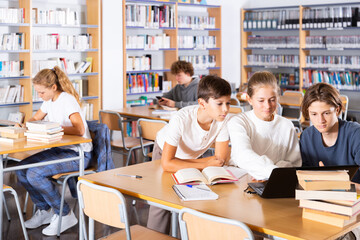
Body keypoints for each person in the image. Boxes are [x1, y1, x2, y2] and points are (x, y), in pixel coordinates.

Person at [147, 75, 232, 233]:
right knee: (161, 201)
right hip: (165, 153)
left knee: (195, 198)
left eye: (228, 103)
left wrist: (206, 163)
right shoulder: (181, 118)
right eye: (219, 104)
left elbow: (220, 160)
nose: (225, 109)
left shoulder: (223, 120)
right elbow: (167, 163)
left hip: (192, 157)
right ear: (202, 103)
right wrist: (206, 163)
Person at [16, 66, 93, 236]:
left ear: (53, 87)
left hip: (78, 153)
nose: (39, 96)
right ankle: (45, 210)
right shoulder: (48, 101)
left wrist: (54, 128)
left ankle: (65, 213)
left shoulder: (67, 100)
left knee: (34, 174)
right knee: (21, 169)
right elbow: (36, 118)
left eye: (41, 92)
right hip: (61, 150)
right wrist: (26, 125)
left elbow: (80, 129)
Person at [300, 83, 360, 239]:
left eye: (326, 113)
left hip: (353, 211)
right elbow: (306, 182)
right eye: (313, 114)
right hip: (322, 207)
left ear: (338, 110)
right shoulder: (307, 137)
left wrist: (331, 182)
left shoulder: (355, 135)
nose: (320, 120)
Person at [228, 71, 301, 180]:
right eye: (261, 100)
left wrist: (271, 176)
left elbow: (293, 163)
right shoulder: (238, 122)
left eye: (272, 100)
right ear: (249, 99)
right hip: (244, 180)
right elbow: (243, 155)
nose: (267, 106)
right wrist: (272, 172)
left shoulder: (286, 125)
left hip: (276, 181)